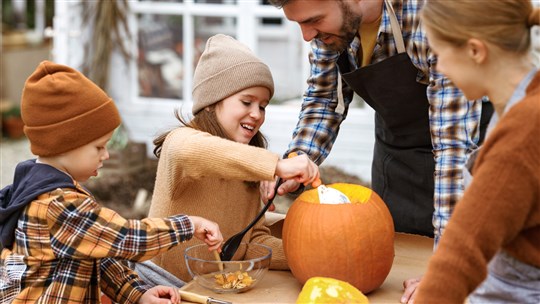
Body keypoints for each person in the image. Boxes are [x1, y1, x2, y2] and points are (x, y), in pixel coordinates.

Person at [267, 0, 494, 240]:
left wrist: (449, 258)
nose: (306, 36)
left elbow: (453, 145)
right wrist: (297, 161)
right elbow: (325, 99)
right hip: (398, 162)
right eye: (300, 24)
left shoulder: (434, 15)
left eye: (314, 20)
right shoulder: (329, 31)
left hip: (470, 158)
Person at [0, 61, 223, 304]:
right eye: (99, 146)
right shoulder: (58, 205)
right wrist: (188, 224)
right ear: (65, 143)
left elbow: (99, 255)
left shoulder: (52, 192)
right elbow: (125, 238)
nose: (106, 155)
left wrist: (137, 294)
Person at [146, 34, 321, 282]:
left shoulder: (249, 165)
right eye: (247, 102)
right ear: (210, 102)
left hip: (215, 288)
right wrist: (277, 165)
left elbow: (251, 241)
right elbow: (195, 149)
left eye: (262, 106)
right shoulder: (182, 142)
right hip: (160, 284)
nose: (257, 114)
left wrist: (311, 255)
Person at [413, 1, 540, 303]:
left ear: (475, 51)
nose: (439, 67)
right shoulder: (523, 102)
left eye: (441, 54)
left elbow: (462, 253)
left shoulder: (525, 131)